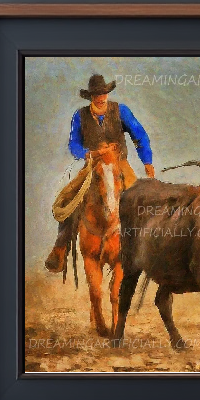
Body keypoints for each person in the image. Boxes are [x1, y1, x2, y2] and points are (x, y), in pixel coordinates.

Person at [45, 74, 155, 274]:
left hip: (119, 164)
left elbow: (139, 135)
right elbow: (74, 144)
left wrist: (147, 161)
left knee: (141, 200)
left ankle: (147, 250)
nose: (101, 97)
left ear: (107, 93)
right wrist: (88, 154)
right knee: (68, 199)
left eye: (103, 93)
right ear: (91, 97)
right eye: (97, 94)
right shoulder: (80, 116)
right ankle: (59, 250)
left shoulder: (121, 111)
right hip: (93, 165)